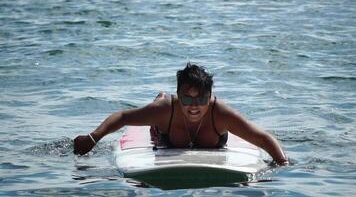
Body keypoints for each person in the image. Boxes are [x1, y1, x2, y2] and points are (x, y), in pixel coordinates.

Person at [74, 62, 289, 165]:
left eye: (201, 99)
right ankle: (159, 97)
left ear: (211, 96)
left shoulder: (220, 113)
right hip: (162, 127)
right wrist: (92, 138)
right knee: (156, 111)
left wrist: (282, 163)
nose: (194, 106)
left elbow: (262, 138)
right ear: (177, 95)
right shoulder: (167, 110)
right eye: (186, 98)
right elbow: (122, 117)